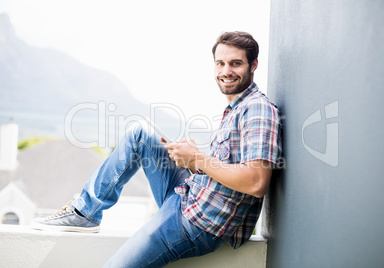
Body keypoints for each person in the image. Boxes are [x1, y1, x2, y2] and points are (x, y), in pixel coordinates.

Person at [31, 31, 282, 267]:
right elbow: (227, 171)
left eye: (235, 63)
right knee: (140, 133)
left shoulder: (257, 109)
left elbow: (255, 182)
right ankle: (86, 212)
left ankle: (86, 213)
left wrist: (199, 158)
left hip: (196, 223)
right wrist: (194, 164)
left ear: (254, 65)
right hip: (188, 196)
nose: (226, 71)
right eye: (220, 63)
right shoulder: (236, 108)